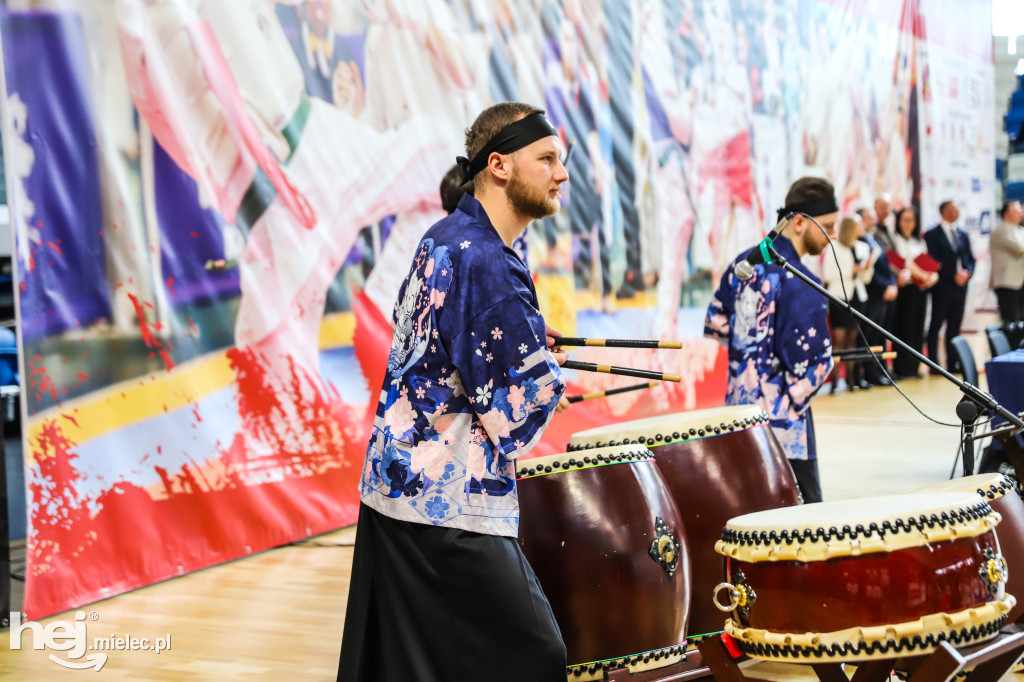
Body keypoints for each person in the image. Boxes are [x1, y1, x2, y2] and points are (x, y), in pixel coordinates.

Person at [338, 102, 572, 682]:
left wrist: (525, 342)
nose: (561, 174)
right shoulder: (490, 261)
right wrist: (547, 371)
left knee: (417, 665)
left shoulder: (443, 238)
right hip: (447, 505)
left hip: (394, 490)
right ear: (499, 165)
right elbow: (514, 419)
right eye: (546, 159)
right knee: (534, 655)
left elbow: (435, 342)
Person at [705, 176, 838, 504]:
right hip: (784, 427)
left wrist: (749, 352)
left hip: (738, 420)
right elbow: (813, 364)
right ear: (798, 223)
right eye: (827, 227)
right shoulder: (803, 282)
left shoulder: (743, 263)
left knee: (749, 513)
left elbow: (716, 322)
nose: (832, 236)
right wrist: (793, 394)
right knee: (802, 522)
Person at [924, 200, 975, 373]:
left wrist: (967, 273)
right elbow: (934, 260)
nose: (956, 212)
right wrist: (953, 274)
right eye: (953, 209)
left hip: (961, 286)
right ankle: (934, 364)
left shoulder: (962, 234)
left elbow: (970, 258)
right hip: (943, 286)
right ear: (944, 212)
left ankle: (952, 361)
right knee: (936, 324)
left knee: (955, 325)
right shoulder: (932, 234)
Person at [821, 214, 871, 392]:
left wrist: (866, 268)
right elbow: (828, 275)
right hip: (840, 297)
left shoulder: (863, 247)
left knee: (853, 339)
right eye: (858, 224)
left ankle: (850, 380)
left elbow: (865, 278)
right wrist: (852, 270)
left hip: (858, 296)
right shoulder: (834, 247)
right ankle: (834, 381)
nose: (862, 227)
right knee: (839, 339)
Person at [891, 207, 938, 379]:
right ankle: (902, 368)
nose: (908, 223)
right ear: (898, 221)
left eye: (911, 219)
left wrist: (932, 277)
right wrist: (923, 275)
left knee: (918, 327)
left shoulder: (919, 241)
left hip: (921, 288)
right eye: (904, 219)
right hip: (906, 288)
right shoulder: (895, 239)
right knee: (904, 327)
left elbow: (926, 260)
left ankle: (914, 366)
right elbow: (905, 263)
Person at [856, 207, 898, 386]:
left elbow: (885, 265)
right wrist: (883, 287)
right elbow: (869, 273)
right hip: (872, 294)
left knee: (879, 336)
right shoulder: (859, 242)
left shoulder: (875, 239)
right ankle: (866, 373)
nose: (872, 221)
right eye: (868, 218)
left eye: (873, 218)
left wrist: (892, 284)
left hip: (884, 293)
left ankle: (879, 371)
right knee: (867, 336)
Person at [990, 200, 1024, 324]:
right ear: (1006, 214)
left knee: (1021, 322)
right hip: (1008, 283)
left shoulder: (1020, 230)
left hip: (1020, 282)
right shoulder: (1001, 230)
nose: (1021, 214)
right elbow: (1020, 249)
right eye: (1017, 211)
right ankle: (1010, 344)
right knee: (1011, 322)